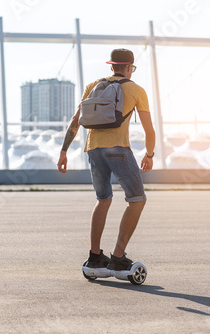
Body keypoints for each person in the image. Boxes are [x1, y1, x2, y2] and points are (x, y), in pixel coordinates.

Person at [57, 48, 155, 273]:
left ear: (112, 67)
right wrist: (149, 155)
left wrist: (64, 151)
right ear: (130, 68)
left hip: (93, 149)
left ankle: (94, 257)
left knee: (103, 199)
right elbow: (149, 131)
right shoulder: (136, 89)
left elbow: (76, 121)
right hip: (118, 149)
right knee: (137, 200)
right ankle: (118, 258)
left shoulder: (92, 86)